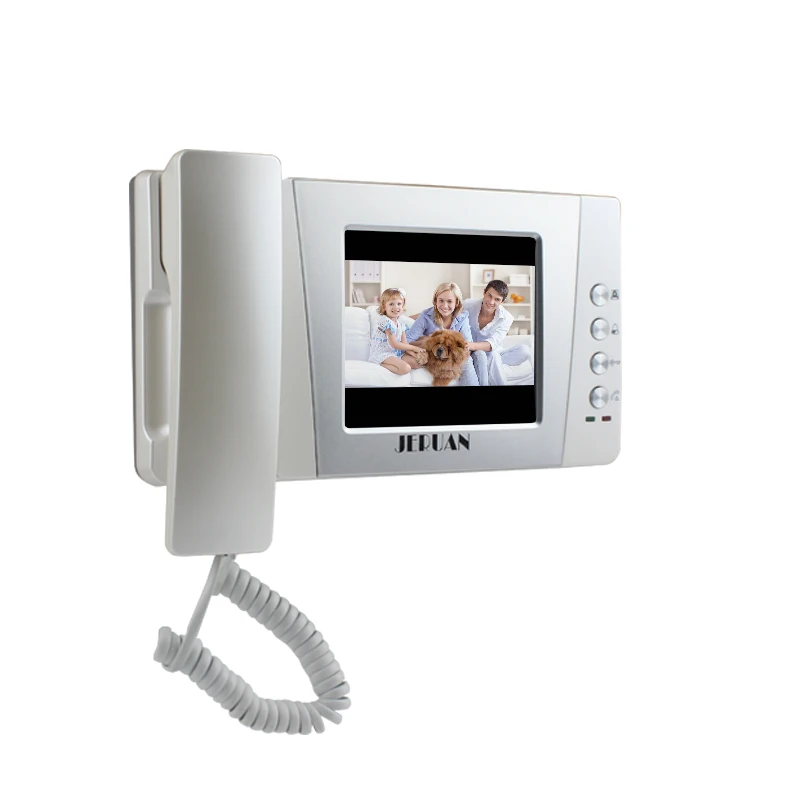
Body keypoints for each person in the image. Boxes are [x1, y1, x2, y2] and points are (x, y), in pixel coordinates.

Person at [404, 282, 480, 386]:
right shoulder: (426, 316)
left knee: (481, 355)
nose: (445, 306)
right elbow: (407, 341)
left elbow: (468, 344)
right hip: (433, 354)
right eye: (441, 300)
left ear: (457, 303)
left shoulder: (462, 317)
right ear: (435, 301)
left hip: (453, 355)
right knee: (468, 362)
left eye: (449, 301)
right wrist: (426, 342)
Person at [462, 280, 532, 386]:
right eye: (489, 295)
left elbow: (492, 344)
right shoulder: (467, 305)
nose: (491, 302)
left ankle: (490, 364)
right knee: (493, 356)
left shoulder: (506, 318)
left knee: (524, 350)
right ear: (484, 292)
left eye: (497, 299)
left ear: (502, 301)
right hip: (473, 353)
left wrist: (470, 345)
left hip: (489, 351)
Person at [368, 288, 425, 375]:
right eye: (391, 304)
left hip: (395, 353)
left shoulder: (400, 324)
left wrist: (414, 354)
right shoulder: (386, 322)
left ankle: (396, 362)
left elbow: (404, 344)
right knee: (406, 368)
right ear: (384, 306)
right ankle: (379, 364)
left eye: (399, 304)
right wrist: (414, 348)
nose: (396, 307)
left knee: (417, 364)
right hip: (383, 353)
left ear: (402, 306)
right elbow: (394, 344)